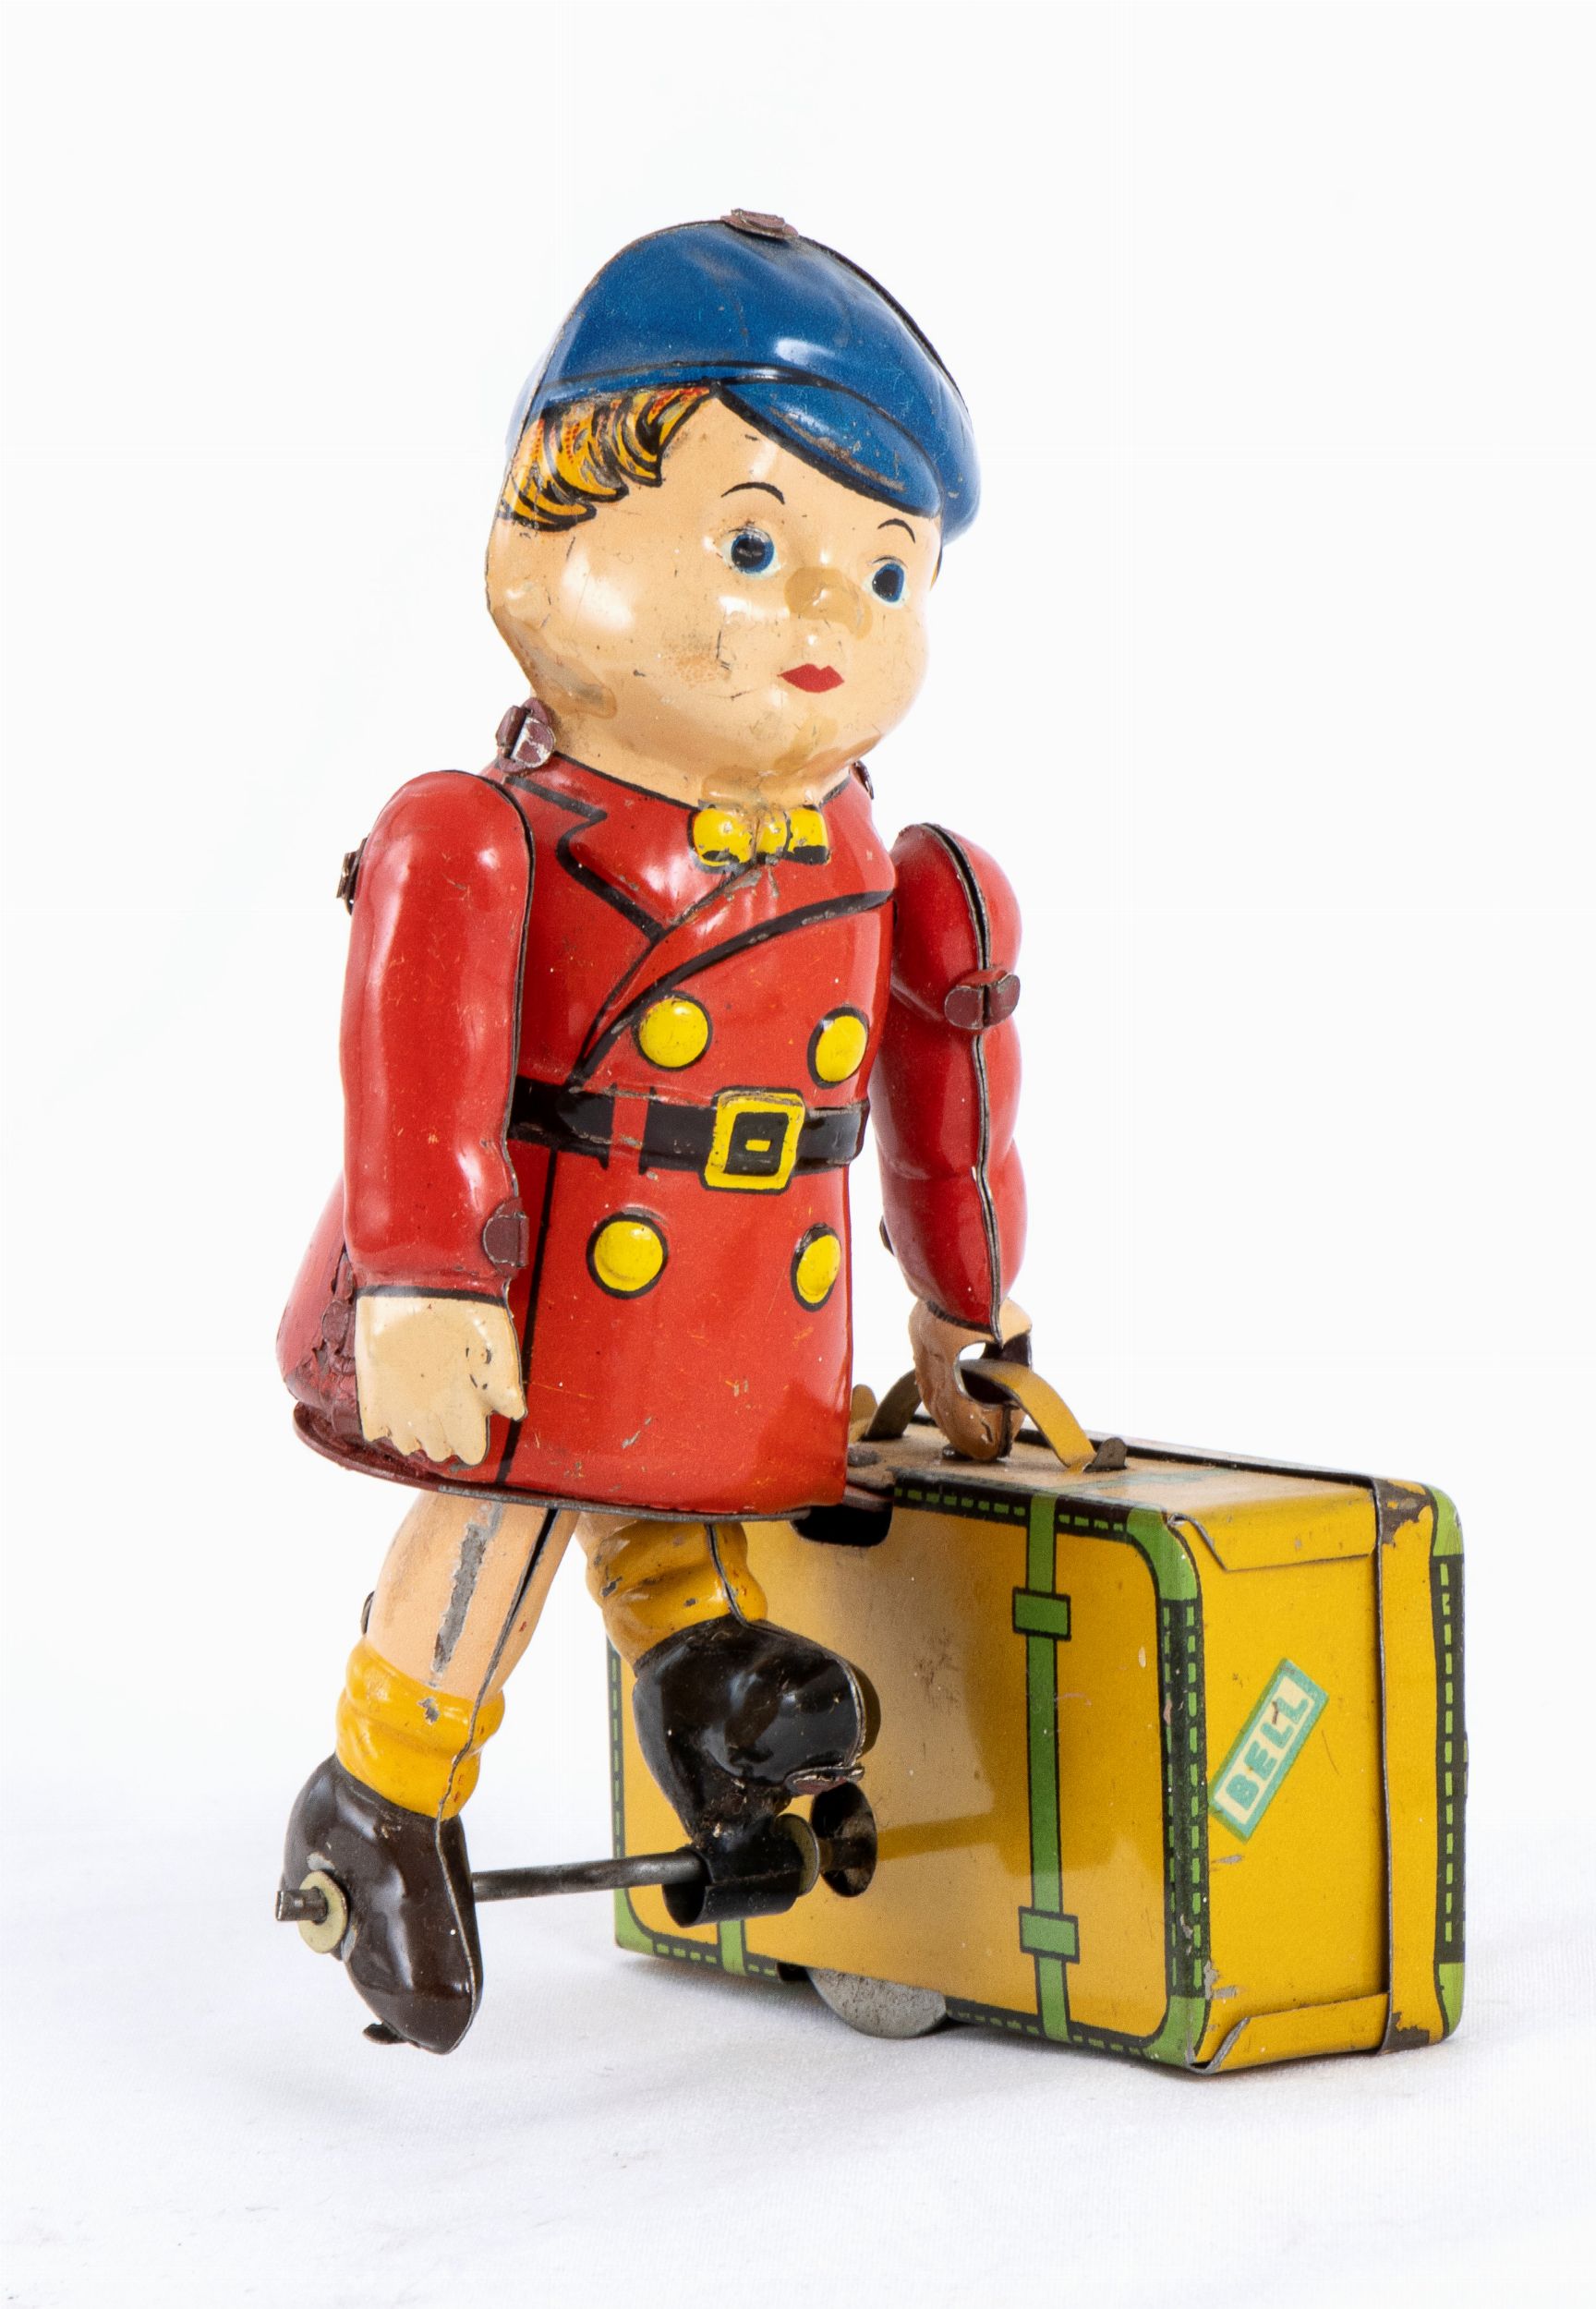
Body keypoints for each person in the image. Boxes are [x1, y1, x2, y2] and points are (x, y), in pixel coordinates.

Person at [276, 212, 1028, 2050]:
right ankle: (381, 1795)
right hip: (536, 1270)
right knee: (514, 1512)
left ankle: (726, 1720)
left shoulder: (894, 865)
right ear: (541, 545)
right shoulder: (485, 831)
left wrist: (965, 1311)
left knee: (686, 1502)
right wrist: (424, 1277)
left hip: (745, 1298)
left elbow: (943, 1118)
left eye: (884, 573)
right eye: (753, 546)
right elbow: (418, 1065)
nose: (822, 620)